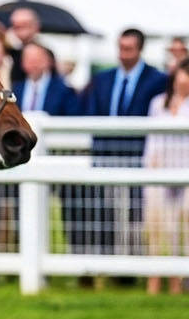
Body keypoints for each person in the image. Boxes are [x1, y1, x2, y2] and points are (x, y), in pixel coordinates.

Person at [73, 28, 170, 267]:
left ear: (140, 50)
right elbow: (91, 115)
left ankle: (133, 266)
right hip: (105, 157)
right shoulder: (102, 80)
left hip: (139, 157)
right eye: (120, 48)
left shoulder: (158, 80)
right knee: (106, 215)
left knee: (135, 216)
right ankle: (110, 265)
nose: (123, 54)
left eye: (129, 49)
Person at [142, 61, 189, 294]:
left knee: (182, 229)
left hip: (185, 174)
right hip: (159, 172)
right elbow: (153, 139)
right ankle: (154, 279)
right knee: (158, 227)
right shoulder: (158, 103)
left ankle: (177, 281)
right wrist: (151, 168)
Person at [12, 42, 81, 116]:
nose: (32, 64)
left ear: (47, 61)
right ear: (22, 63)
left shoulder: (64, 91)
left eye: (36, 59)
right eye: (28, 59)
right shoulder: (16, 89)